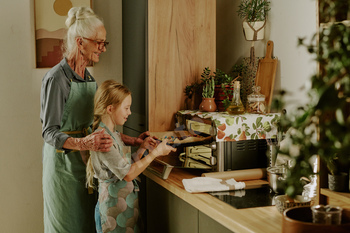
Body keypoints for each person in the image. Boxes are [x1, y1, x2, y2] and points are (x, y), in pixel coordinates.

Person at [40, 6, 149, 233]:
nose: (103, 49)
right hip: (64, 169)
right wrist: (84, 143)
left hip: (88, 168)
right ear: (80, 42)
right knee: (67, 227)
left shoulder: (88, 78)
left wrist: (132, 140)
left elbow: (101, 126)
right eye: (98, 42)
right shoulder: (56, 79)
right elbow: (49, 132)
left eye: (104, 43)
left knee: (90, 226)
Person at [86, 80, 176, 233]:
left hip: (124, 211)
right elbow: (128, 174)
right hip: (112, 213)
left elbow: (124, 167)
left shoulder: (113, 134)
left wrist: (142, 148)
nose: (130, 112)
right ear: (110, 109)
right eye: (126, 108)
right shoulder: (104, 140)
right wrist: (155, 153)